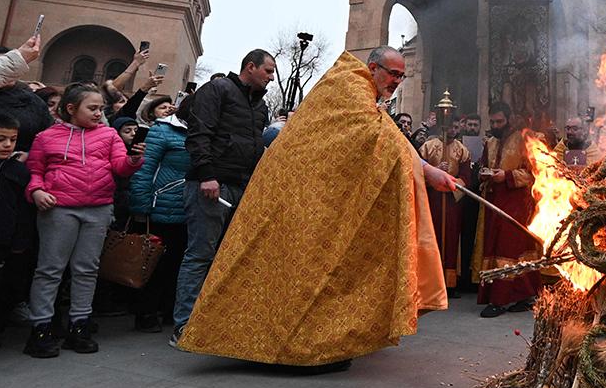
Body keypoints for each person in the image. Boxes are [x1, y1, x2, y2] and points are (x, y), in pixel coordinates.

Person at [176, 46, 451, 369]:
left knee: (313, 271)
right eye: (394, 74)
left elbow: (380, 135)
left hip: (314, 202)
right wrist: (426, 170)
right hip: (294, 198)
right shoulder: (348, 88)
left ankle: (313, 343)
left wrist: (425, 169)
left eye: (403, 76)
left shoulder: (365, 97)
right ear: (373, 67)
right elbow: (379, 135)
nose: (398, 81)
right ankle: (211, 330)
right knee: (213, 255)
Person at [22, 83, 145, 358]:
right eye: (92, 108)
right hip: (58, 209)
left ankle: (79, 324)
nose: (98, 113)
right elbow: (35, 172)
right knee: (50, 269)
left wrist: (135, 160)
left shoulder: (109, 135)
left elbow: (120, 167)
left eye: (101, 108)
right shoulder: (46, 137)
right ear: (70, 108)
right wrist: (37, 191)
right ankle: (40, 327)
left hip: (98, 208)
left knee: (87, 269)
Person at [170, 49, 275, 348]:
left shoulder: (260, 106)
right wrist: (206, 175)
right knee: (200, 254)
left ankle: (216, 321)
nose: (271, 77)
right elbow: (199, 134)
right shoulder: (217, 90)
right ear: (250, 67)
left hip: (241, 187)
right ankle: (185, 324)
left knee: (228, 257)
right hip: (211, 185)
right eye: (267, 71)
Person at [127, 97, 192, 333]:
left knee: (177, 263)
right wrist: (141, 207)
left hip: (187, 209)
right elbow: (145, 169)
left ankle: (168, 310)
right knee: (153, 263)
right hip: (159, 207)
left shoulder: (204, 133)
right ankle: (145, 312)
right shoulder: (163, 130)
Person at [475, 101, 540, 317]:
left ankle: (502, 300)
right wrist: (484, 174)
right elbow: (483, 166)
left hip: (517, 204)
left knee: (510, 250)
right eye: (492, 121)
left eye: (499, 121)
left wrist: (507, 176)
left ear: (509, 119)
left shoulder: (524, 140)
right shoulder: (491, 142)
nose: (495, 125)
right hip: (494, 202)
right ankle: (515, 295)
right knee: (495, 248)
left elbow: (535, 173)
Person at [0, 113, 32, 362]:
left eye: (12, 139)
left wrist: (19, 239)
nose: (7, 145)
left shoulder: (17, 170)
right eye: (0, 139)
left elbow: (22, 210)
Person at [419, 123, 471, 293]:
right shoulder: (428, 147)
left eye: (455, 127)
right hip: (432, 199)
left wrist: (451, 183)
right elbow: (418, 173)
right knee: (430, 236)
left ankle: (450, 282)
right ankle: (430, 281)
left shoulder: (462, 150)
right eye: (449, 126)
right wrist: (434, 173)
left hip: (451, 200)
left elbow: (466, 178)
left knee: (451, 238)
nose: (451, 130)